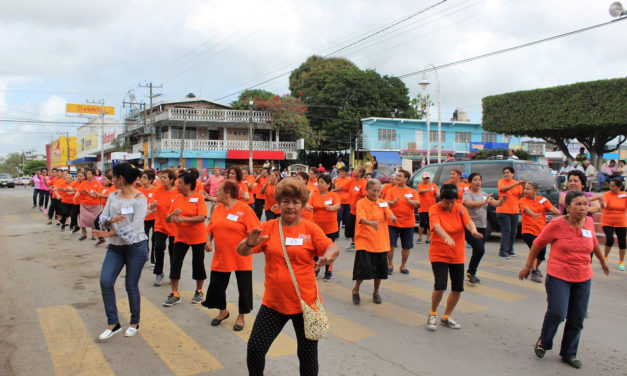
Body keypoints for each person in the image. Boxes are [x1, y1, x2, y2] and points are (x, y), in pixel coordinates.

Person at [238, 178, 339, 376]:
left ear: (302, 205)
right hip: (274, 304)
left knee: (308, 355)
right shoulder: (268, 227)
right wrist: (248, 243)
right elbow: (242, 251)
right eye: (286, 201)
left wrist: (329, 255)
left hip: (305, 304)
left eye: (295, 202)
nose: (290, 206)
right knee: (255, 349)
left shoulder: (310, 229)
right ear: (278, 203)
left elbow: (331, 245)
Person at [519, 191, 609, 369]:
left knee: (577, 317)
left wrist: (602, 261)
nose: (583, 208)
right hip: (559, 275)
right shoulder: (557, 224)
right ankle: (544, 341)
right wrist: (528, 266)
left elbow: (594, 244)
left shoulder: (589, 222)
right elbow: (538, 243)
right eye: (578, 204)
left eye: (585, 204)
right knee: (558, 313)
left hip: (583, 277)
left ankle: (569, 353)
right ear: (567, 207)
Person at [94, 163, 148, 340]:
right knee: (105, 281)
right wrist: (110, 219)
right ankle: (113, 323)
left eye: (113, 177)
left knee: (131, 286)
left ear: (121, 178)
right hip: (116, 247)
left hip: (136, 247)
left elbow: (134, 229)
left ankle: (134, 322)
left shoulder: (140, 199)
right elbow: (102, 218)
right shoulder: (112, 196)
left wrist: (108, 232)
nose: (112, 180)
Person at [203, 180, 260, 331]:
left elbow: (255, 231)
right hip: (222, 256)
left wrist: (248, 242)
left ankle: (241, 316)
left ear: (227, 192)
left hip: (241, 256)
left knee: (244, 288)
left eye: (219, 190)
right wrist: (208, 242)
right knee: (217, 286)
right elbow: (210, 228)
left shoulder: (244, 209)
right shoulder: (218, 209)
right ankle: (223, 311)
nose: (216, 193)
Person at [426, 184, 483, 331]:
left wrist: (474, 230)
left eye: (452, 202)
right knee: (440, 286)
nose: (450, 205)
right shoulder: (434, 209)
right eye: (447, 202)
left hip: (457, 254)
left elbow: (469, 222)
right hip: (439, 253)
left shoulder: (459, 208)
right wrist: (446, 236)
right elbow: (437, 227)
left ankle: (446, 316)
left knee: (458, 288)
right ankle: (433, 314)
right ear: (441, 199)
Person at [163, 170, 208, 307]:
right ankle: (174, 293)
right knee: (175, 263)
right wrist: (172, 216)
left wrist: (183, 218)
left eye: (180, 183)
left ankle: (199, 290)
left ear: (188, 184)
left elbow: (202, 217)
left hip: (197, 237)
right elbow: (167, 218)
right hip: (180, 237)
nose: (177, 186)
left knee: (198, 264)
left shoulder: (198, 198)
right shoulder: (177, 198)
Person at [352, 179, 397, 305]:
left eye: (378, 191)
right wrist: (370, 223)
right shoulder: (361, 203)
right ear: (367, 190)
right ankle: (356, 290)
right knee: (363, 268)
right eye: (374, 191)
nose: (377, 193)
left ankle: (376, 292)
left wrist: (392, 218)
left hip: (380, 241)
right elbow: (360, 218)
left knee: (379, 270)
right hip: (364, 240)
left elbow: (389, 214)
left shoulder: (382, 203)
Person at [462, 173, 504, 284]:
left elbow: (495, 203)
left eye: (479, 180)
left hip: (482, 227)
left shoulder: (484, 194)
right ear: (470, 182)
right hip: (470, 227)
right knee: (480, 250)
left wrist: (502, 201)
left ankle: (471, 273)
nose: (477, 182)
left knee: (478, 251)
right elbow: (470, 204)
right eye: (475, 180)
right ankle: (471, 272)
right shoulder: (467, 194)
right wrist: (484, 202)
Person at [518, 182, 560, 283]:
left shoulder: (543, 200)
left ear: (535, 191)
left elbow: (552, 208)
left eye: (528, 189)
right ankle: (534, 271)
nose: (525, 191)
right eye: (525, 189)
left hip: (541, 231)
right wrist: (534, 214)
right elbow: (527, 210)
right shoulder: (522, 200)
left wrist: (563, 214)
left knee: (542, 254)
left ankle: (534, 268)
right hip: (528, 230)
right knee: (534, 249)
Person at [384, 169, 419, 275]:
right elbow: (385, 202)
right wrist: (392, 202)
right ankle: (390, 264)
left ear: (406, 178)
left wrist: (410, 201)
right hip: (393, 222)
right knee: (391, 245)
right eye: (397, 176)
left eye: (400, 176)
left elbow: (418, 204)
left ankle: (403, 266)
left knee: (407, 246)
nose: (397, 178)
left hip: (408, 223)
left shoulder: (412, 191)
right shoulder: (391, 190)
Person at [307, 174, 341, 281]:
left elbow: (338, 205)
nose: (319, 184)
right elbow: (308, 205)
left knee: (328, 250)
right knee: (316, 249)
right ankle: (316, 269)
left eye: (322, 182)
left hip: (330, 228)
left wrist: (331, 208)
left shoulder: (333, 195)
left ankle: (328, 271)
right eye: (318, 182)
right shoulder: (314, 195)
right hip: (316, 228)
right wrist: (308, 206)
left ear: (328, 184)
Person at [150, 169, 179, 286]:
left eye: (165, 178)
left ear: (172, 180)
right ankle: (158, 273)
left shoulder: (178, 191)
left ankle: (173, 274)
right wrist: (151, 205)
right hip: (160, 225)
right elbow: (151, 204)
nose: (161, 179)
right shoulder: (158, 190)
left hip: (174, 227)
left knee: (173, 251)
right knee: (159, 247)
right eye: (161, 177)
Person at [496, 167, 525, 258]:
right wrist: (517, 183)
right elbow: (504, 189)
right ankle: (503, 251)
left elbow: (522, 194)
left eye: (508, 172)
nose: (506, 174)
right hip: (503, 211)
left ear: (513, 174)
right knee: (506, 231)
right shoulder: (501, 182)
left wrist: (523, 186)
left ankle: (510, 249)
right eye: (505, 172)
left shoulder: (517, 184)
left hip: (515, 211)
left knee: (513, 232)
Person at [600, 178, 627, 271]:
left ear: (619, 187)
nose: (611, 187)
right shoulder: (607, 194)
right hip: (607, 221)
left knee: (622, 242)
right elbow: (605, 204)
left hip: (621, 222)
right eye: (610, 185)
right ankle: (605, 257)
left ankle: (621, 262)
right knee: (610, 239)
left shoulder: (624, 195)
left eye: (613, 186)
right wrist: (602, 204)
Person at [138, 169, 157, 267]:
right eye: (142, 177)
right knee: (144, 239)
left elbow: (156, 204)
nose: (142, 179)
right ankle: (145, 256)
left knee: (155, 240)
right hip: (143, 218)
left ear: (151, 180)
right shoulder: (139, 190)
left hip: (154, 218)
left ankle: (153, 260)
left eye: (145, 178)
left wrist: (150, 208)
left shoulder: (155, 190)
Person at [78, 169, 102, 241]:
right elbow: (79, 190)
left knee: (94, 221)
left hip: (94, 205)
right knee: (82, 219)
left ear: (93, 175)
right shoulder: (83, 183)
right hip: (84, 204)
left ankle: (93, 235)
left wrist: (88, 193)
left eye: (89, 174)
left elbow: (97, 196)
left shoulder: (97, 184)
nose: (87, 175)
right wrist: (76, 195)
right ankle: (83, 234)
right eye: (87, 174)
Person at [346, 166, 367, 250]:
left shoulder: (363, 183)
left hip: (360, 210)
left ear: (360, 173)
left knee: (359, 228)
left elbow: (365, 195)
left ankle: (360, 244)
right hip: (352, 209)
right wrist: (333, 190)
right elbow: (342, 187)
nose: (353, 172)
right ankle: (354, 242)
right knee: (351, 227)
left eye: (355, 170)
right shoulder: (352, 181)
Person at [417, 172, 438, 244]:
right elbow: (421, 191)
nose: (427, 179)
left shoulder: (433, 185)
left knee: (429, 224)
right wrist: (428, 190)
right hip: (422, 208)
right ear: (422, 178)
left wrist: (439, 195)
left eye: (428, 178)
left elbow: (437, 192)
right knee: (422, 222)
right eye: (425, 178)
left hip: (431, 208)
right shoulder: (420, 185)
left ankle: (428, 239)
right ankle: (420, 237)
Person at [332, 167, 351, 232]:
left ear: (346, 172)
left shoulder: (349, 180)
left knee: (347, 218)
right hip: (339, 202)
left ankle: (347, 232)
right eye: (340, 171)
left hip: (348, 202)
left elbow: (347, 188)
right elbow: (332, 186)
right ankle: (336, 232)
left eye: (342, 171)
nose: (340, 173)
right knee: (338, 217)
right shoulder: (336, 180)